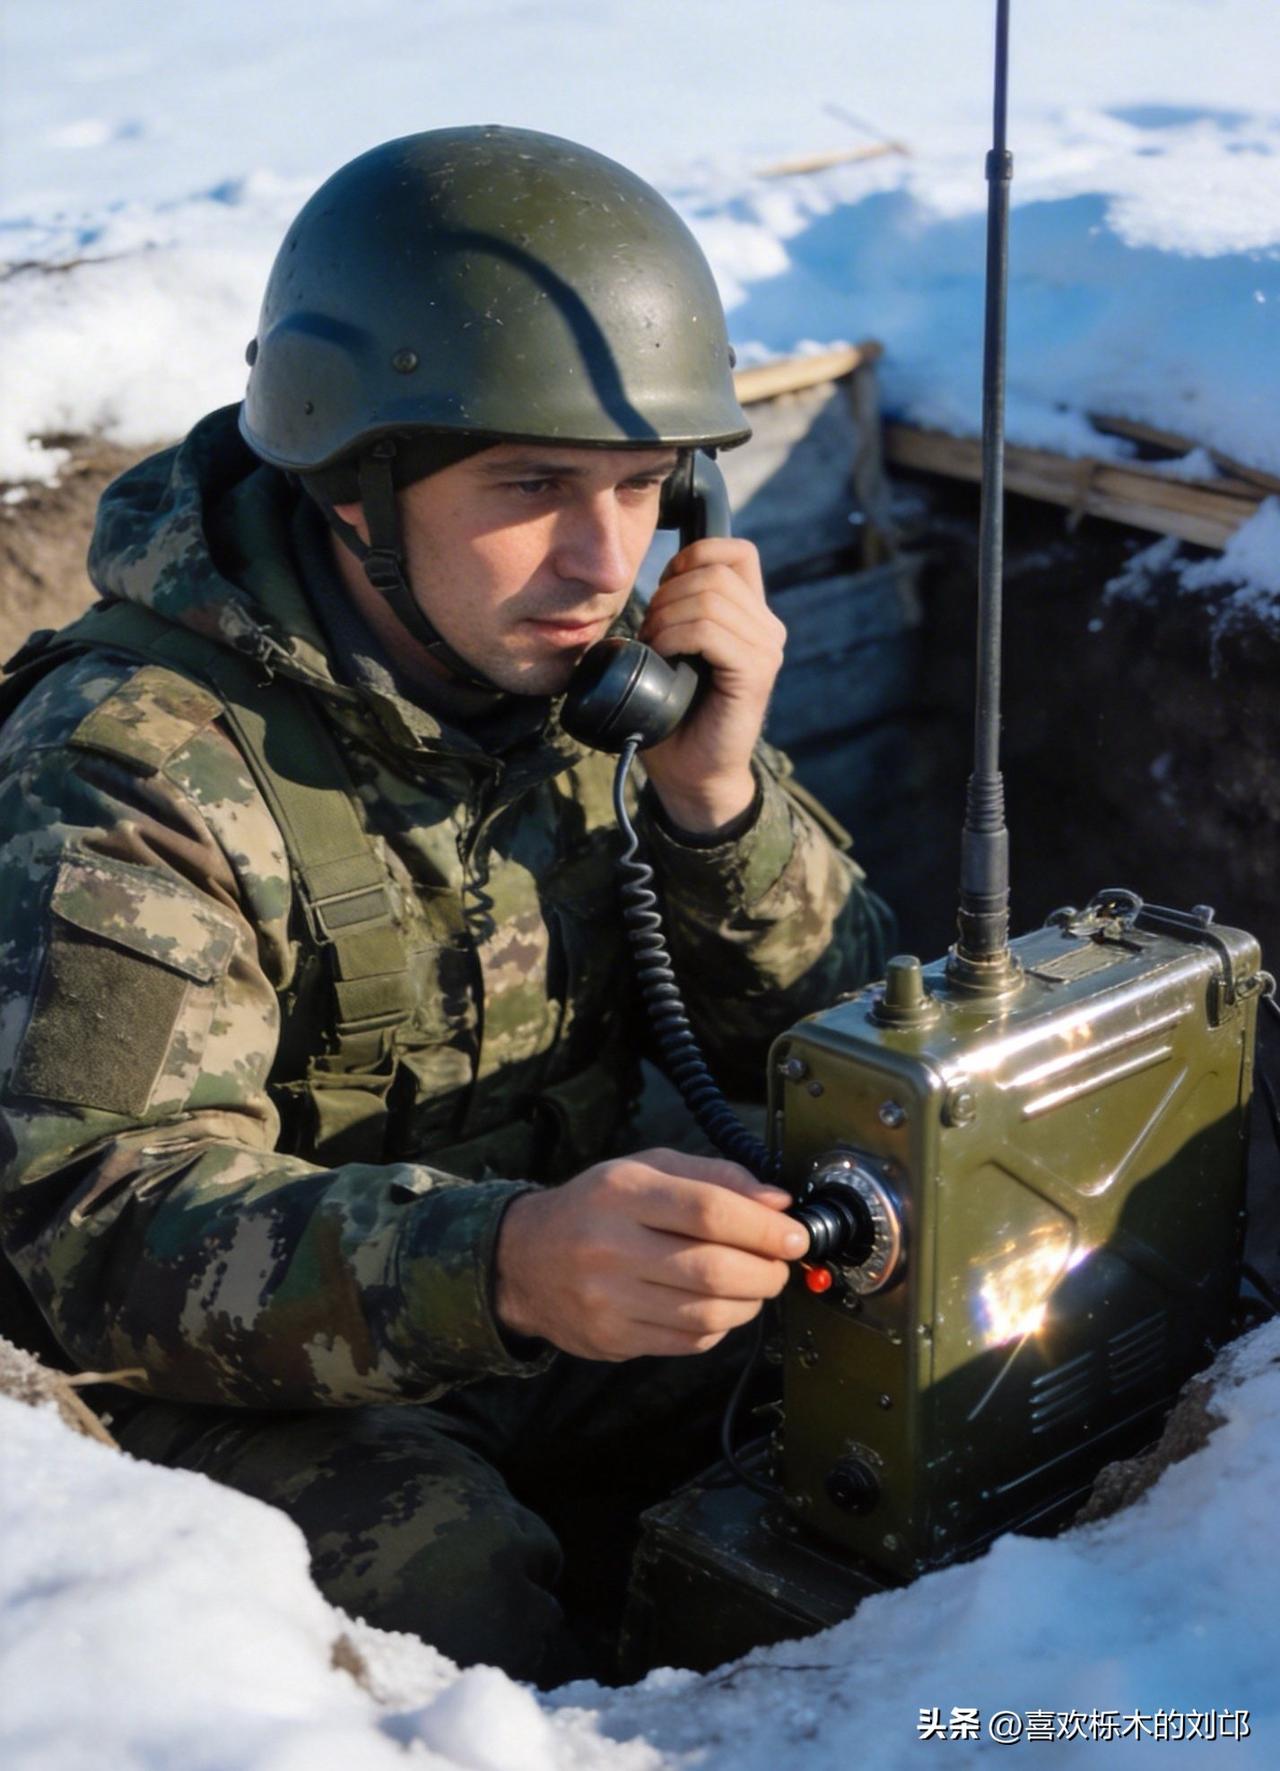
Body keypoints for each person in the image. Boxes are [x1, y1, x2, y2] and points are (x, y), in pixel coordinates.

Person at [0, 126, 892, 1683]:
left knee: (911, 1350)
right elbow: (89, 1229)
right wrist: (504, 1264)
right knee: (445, 1578)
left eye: (642, 487)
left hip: (551, 1293)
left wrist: (715, 801)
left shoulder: (603, 693)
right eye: (532, 485)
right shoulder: (135, 761)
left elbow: (847, 1043)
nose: (600, 561)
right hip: (248, 1370)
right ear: (354, 481)